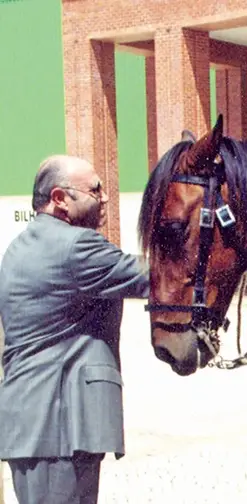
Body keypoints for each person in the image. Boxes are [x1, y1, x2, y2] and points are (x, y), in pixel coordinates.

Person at [0, 155, 150, 504]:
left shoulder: (21, 246)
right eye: (95, 189)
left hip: (38, 426)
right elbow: (155, 276)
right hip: (57, 426)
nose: (105, 197)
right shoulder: (74, 246)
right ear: (59, 198)